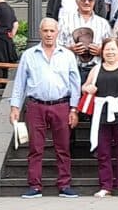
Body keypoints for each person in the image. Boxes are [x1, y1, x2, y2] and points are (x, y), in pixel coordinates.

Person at [9, 18, 81, 198]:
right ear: (40, 32)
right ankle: (34, 186)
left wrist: (74, 109)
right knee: (35, 148)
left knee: (63, 147)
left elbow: (75, 84)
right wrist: (15, 106)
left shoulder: (67, 55)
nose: (49, 34)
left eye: (52, 31)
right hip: (36, 105)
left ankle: (64, 185)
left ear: (57, 32)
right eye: (45, 31)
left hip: (61, 105)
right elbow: (19, 83)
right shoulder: (29, 55)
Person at [81, 38, 118, 198]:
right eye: (107, 49)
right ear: (102, 52)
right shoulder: (97, 69)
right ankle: (106, 185)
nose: (110, 52)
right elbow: (84, 86)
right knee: (103, 150)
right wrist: (88, 88)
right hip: (102, 112)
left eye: (113, 49)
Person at [57, 0, 113, 83]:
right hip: (71, 70)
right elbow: (56, 47)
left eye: (90, 0)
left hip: (96, 70)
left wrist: (101, 51)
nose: (87, 2)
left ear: (94, 2)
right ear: (77, 1)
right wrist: (70, 50)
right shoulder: (64, 21)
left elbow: (112, 48)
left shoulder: (103, 23)